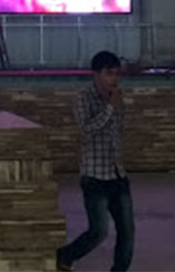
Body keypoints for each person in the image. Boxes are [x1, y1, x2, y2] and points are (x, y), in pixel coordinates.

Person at [57, 51, 134, 272]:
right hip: (94, 176)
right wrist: (110, 107)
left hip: (117, 174)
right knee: (99, 230)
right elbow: (87, 130)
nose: (114, 79)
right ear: (96, 74)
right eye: (109, 73)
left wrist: (115, 106)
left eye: (117, 74)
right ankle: (65, 256)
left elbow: (117, 133)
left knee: (127, 232)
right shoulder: (83, 98)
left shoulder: (117, 98)